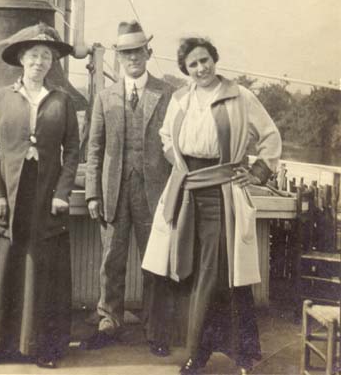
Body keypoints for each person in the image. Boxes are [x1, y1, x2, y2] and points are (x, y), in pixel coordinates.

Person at [143, 36, 281, 375]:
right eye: (193, 64)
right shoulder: (180, 99)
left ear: (214, 60)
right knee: (187, 269)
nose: (201, 68)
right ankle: (205, 347)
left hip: (222, 193)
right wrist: (179, 163)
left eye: (205, 60)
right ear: (185, 70)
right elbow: (164, 136)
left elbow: (270, 136)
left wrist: (258, 172)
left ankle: (212, 353)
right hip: (187, 190)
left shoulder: (240, 96)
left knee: (219, 272)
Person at [0, 22, 80, 369]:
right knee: (5, 268)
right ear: (21, 59)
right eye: (33, 56)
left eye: (46, 56)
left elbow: (73, 150)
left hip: (46, 196)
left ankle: (43, 347)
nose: (39, 62)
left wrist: (62, 192)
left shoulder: (62, 100)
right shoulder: (1, 96)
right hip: (7, 196)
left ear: (52, 63)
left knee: (41, 270)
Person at [82, 20, 174, 356]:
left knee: (155, 261)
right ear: (118, 58)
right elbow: (94, 148)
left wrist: (175, 193)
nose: (132, 58)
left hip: (155, 194)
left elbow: (177, 146)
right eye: (125, 53)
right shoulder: (105, 96)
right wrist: (93, 193)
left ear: (148, 53)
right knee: (111, 260)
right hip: (113, 192)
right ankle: (109, 321)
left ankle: (157, 329)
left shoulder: (166, 93)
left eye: (137, 51)